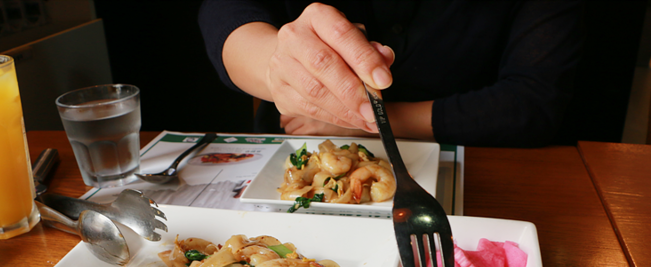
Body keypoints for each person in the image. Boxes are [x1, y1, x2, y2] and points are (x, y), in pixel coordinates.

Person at [199, 1, 584, 147]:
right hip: (291, 148)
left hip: (480, 164)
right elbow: (224, 13)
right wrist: (275, 67)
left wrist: (364, 120)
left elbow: (533, 102)